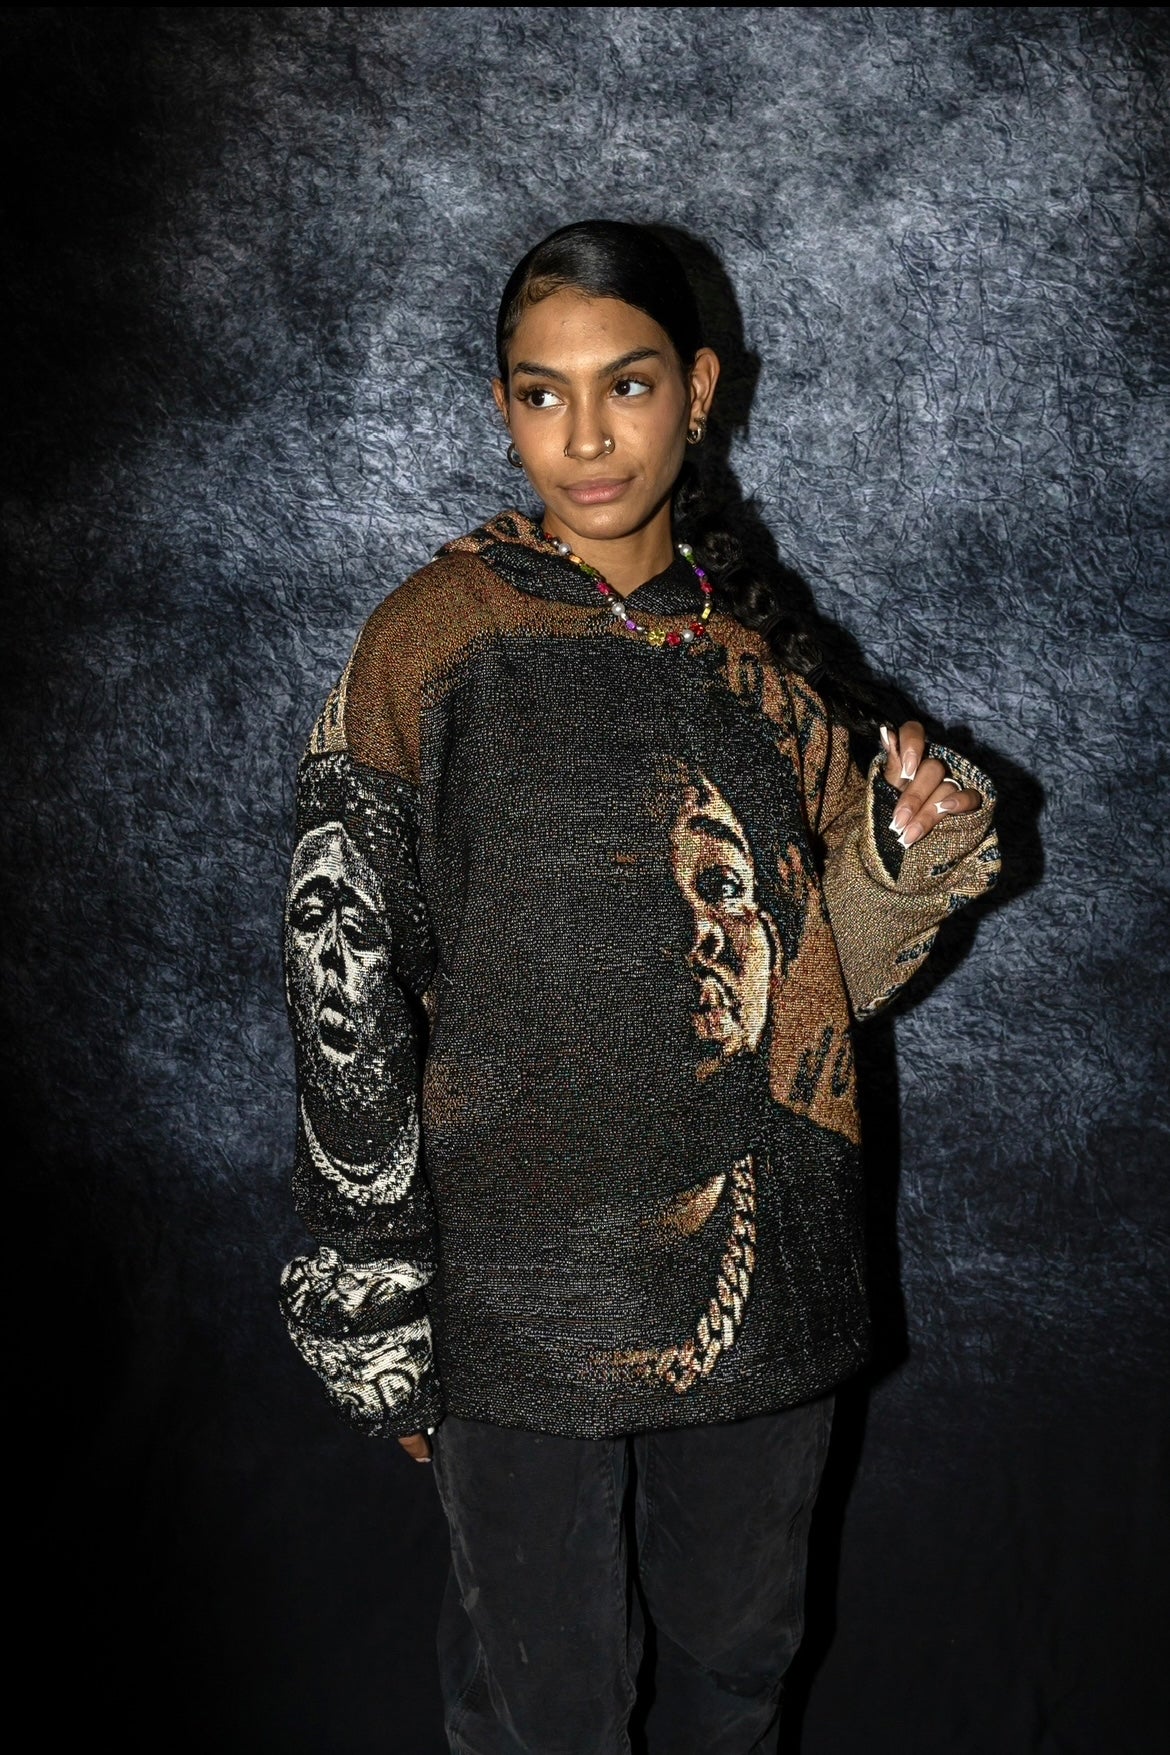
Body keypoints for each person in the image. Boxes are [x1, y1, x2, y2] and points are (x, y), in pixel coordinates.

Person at [279, 221, 1000, 1754]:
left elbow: (809, 992)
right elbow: (342, 981)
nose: (587, 437)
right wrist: (376, 1293)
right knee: (541, 1704)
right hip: (515, 1291)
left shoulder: (766, 665)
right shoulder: (432, 645)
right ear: (501, 406)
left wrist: (897, 859)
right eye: (543, 394)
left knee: (738, 1667)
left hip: (767, 1278)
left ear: (700, 391)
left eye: (627, 384)